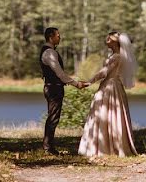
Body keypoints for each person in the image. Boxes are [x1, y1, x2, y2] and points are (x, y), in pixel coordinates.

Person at [78, 30, 138, 157]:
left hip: (111, 87)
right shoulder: (114, 55)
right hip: (109, 85)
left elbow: (104, 72)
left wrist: (90, 82)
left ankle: (108, 147)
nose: (107, 40)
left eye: (109, 38)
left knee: (108, 113)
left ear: (115, 41)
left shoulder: (117, 56)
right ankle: (103, 144)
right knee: (105, 114)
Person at [40, 26, 88, 154]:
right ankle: (48, 147)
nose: (60, 37)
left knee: (53, 116)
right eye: (58, 35)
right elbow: (60, 73)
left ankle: (48, 146)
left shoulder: (49, 51)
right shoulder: (49, 53)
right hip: (53, 88)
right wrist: (76, 84)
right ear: (51, 37)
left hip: (52, 86)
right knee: (53, 118)